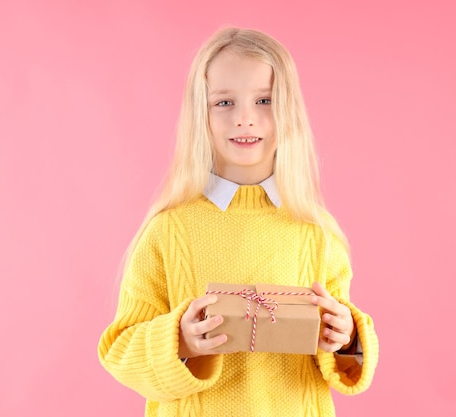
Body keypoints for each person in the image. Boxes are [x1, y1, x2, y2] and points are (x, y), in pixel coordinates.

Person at [98, 27, 378, 416]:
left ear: (288, 110)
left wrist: (345, 337)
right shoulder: (168, 230)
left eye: (264, 100)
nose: (245, 118)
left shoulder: (317, 232)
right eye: (224, 102)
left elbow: (343, 355)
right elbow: (120, 349)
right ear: (201, 114)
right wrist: (180, 340)